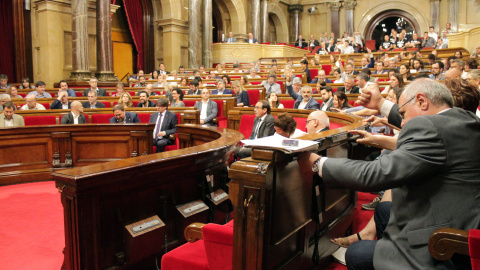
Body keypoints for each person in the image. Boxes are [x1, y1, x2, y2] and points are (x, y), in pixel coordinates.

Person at [300, 78, 480, 270]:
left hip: (442, 243)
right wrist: (380, 104)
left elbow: (375, 174)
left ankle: (390, 251)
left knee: (357, 253)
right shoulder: (465, 119)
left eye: (403, 114)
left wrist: (318, 163)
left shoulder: (432, 128)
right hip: (460, 220)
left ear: (422, 101)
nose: (402, 123)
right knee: (384, 210)